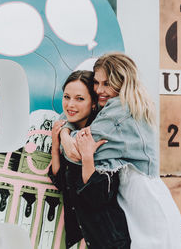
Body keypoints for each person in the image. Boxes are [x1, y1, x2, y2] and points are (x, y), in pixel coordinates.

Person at [60, 53, 181, 249]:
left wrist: (65, 136)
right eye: (97, 83)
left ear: (122, 82)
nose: (100, 90)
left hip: (143, 204)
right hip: (145, 199)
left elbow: (77, 150)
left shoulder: (120, 111)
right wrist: (64, 132)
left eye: (107, 83)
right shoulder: (129, 104)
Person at [48, 70, 131, 249]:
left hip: (109, 240)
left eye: (79, 99)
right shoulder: (67, 135)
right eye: (67, 97)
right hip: (82, 239)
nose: (70, 104)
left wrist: (87, 158)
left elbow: (98, 197)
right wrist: (56, 145)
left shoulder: (101, 136)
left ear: (93, 104)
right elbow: (61, 181)